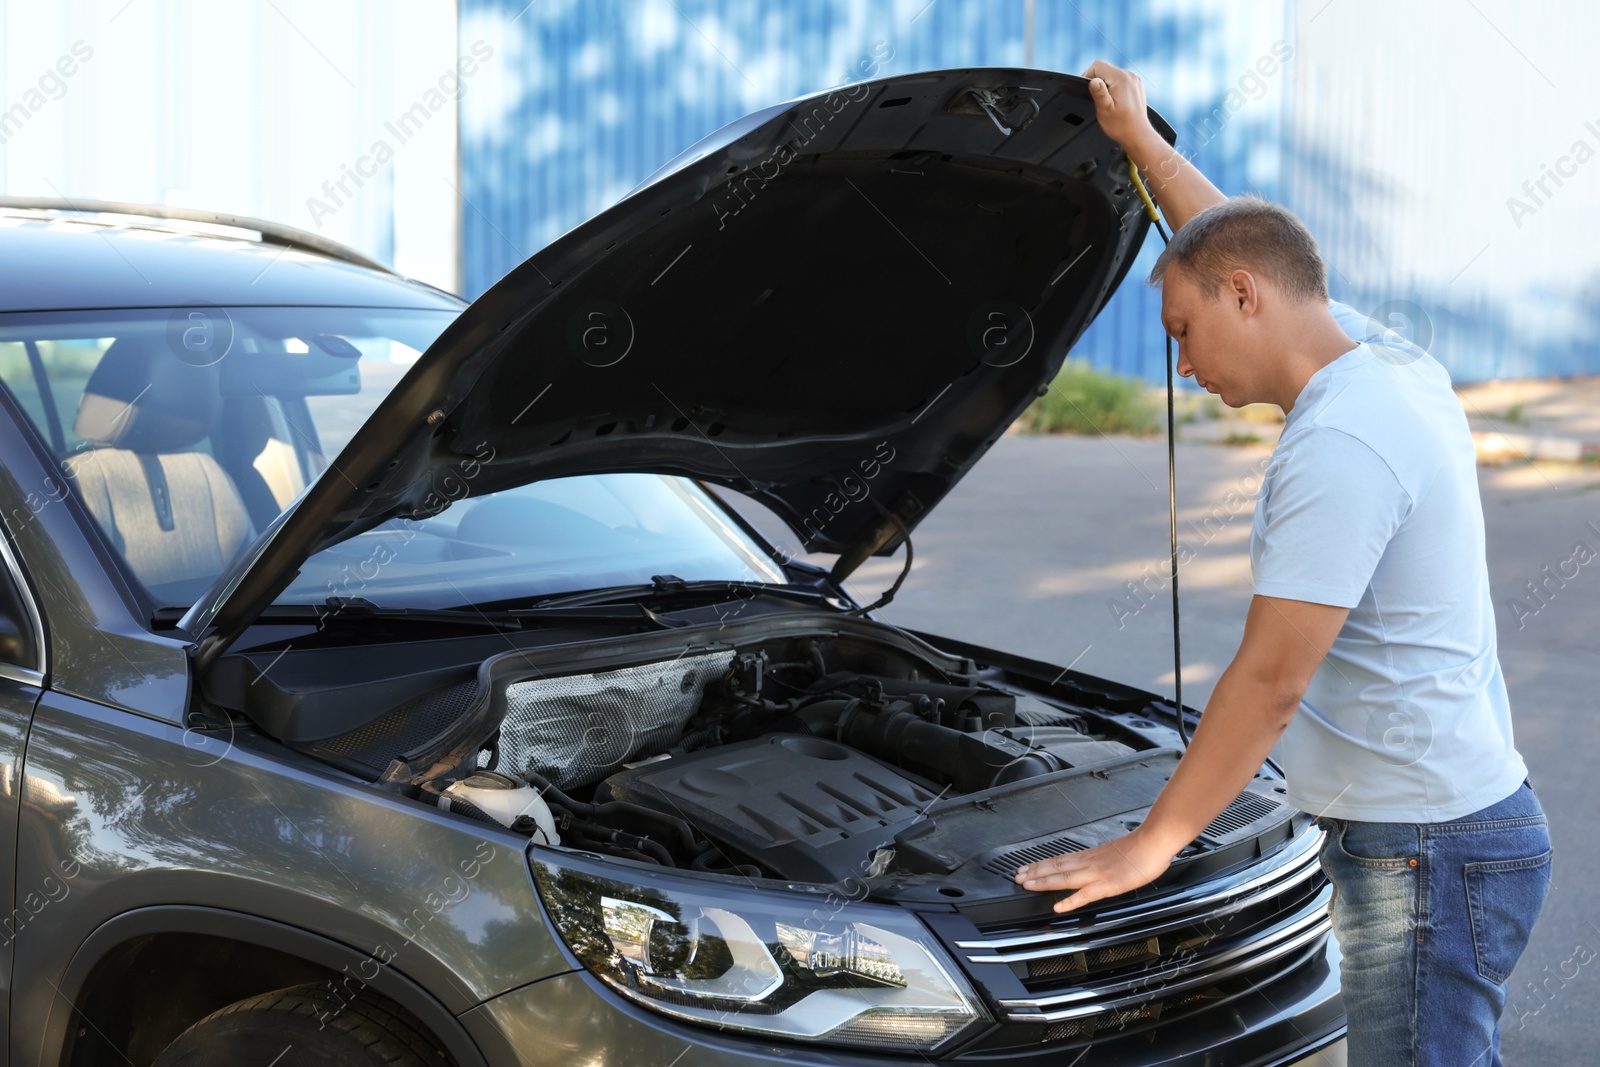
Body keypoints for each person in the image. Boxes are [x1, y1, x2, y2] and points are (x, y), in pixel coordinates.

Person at [1015, 59, 1552, 1067]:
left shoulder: (1340, 445)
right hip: (1437, 833)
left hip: (1422, 854)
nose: (1181, 364)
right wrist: (1139, 144)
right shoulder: (1388, 365)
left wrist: (1153, 840)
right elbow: (1233, 235)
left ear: (1241, 298)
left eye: (1182, 331)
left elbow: (1269, 680)